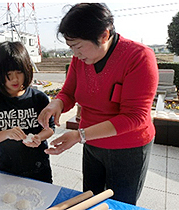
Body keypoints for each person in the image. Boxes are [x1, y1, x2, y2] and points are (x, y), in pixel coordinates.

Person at [37, 3, 158, 205]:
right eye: (71, 48)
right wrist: (56, 104)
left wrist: (79, 135)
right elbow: (68, 92)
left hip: (128, 148)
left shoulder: (139, 57)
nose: (75, 54)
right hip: (92, 143)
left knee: (118, 204)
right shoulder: (81, 60)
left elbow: (134, 116)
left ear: (103, 35)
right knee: (90, 199)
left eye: (78, 47)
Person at [0, 41, 55, 183]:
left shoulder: (39, 98)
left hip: (39, 168)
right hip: (8, 169)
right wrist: (7, 133)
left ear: (26, 70)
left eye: (19, 72)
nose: (15, 79)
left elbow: (50, 129)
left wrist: (39, 137)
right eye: (8, 74)